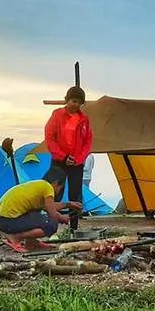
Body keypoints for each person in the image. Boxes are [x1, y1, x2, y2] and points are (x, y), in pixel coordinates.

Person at [0, 166, 80, 252]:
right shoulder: (48, 188)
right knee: (51, 225)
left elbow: (49, 206)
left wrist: (67, 205)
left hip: (2, 220)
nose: (59, 191)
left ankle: (31, 242)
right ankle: (16, 237)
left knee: (38, 215)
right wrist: (61, 219)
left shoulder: (40, 185)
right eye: (60, 188)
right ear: (56, 183)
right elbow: (52, 213)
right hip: (9, 221)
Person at [44, 85, 93, 233]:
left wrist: (78, 159)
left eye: (79, 102)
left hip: (76, 163)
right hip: (59, 161)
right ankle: (51, 226)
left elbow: (87, 142)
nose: (76, 104)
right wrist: (62, 156)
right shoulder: (57, 115)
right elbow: (50, 138)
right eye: (73, 101)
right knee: (54, 192)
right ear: (67, 100)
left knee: (75, 194)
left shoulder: (84, 120)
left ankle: (73, 227)